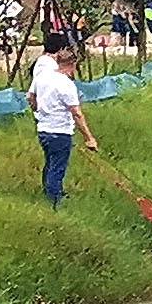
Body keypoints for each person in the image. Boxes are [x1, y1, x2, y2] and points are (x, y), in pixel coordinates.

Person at [31, 32, 89, 205]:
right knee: (57, 167)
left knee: (50, 163)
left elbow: (30, 96)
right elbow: (77, 113)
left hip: (44, 130)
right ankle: (55, 200)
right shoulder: (66, 84)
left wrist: (38, 111)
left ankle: (49, 191)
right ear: (71, 65)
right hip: (60, 131)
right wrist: (89, 137)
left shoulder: (42, 76)